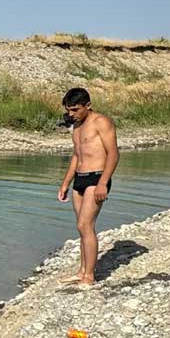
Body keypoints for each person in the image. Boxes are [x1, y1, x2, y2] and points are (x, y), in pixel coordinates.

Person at [57, 88, 119, 286]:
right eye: (69, 111)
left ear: (88, 106)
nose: (71, 114)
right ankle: (82, 271)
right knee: (82, 228)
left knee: (85, 225)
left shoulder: (101, 122)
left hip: (97, 178)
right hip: (80, 179)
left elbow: (113, 154)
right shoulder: (77, 126)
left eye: (75, 110)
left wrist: (103, 183)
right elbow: (77, 156)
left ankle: (89, 277)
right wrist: (66, 183)